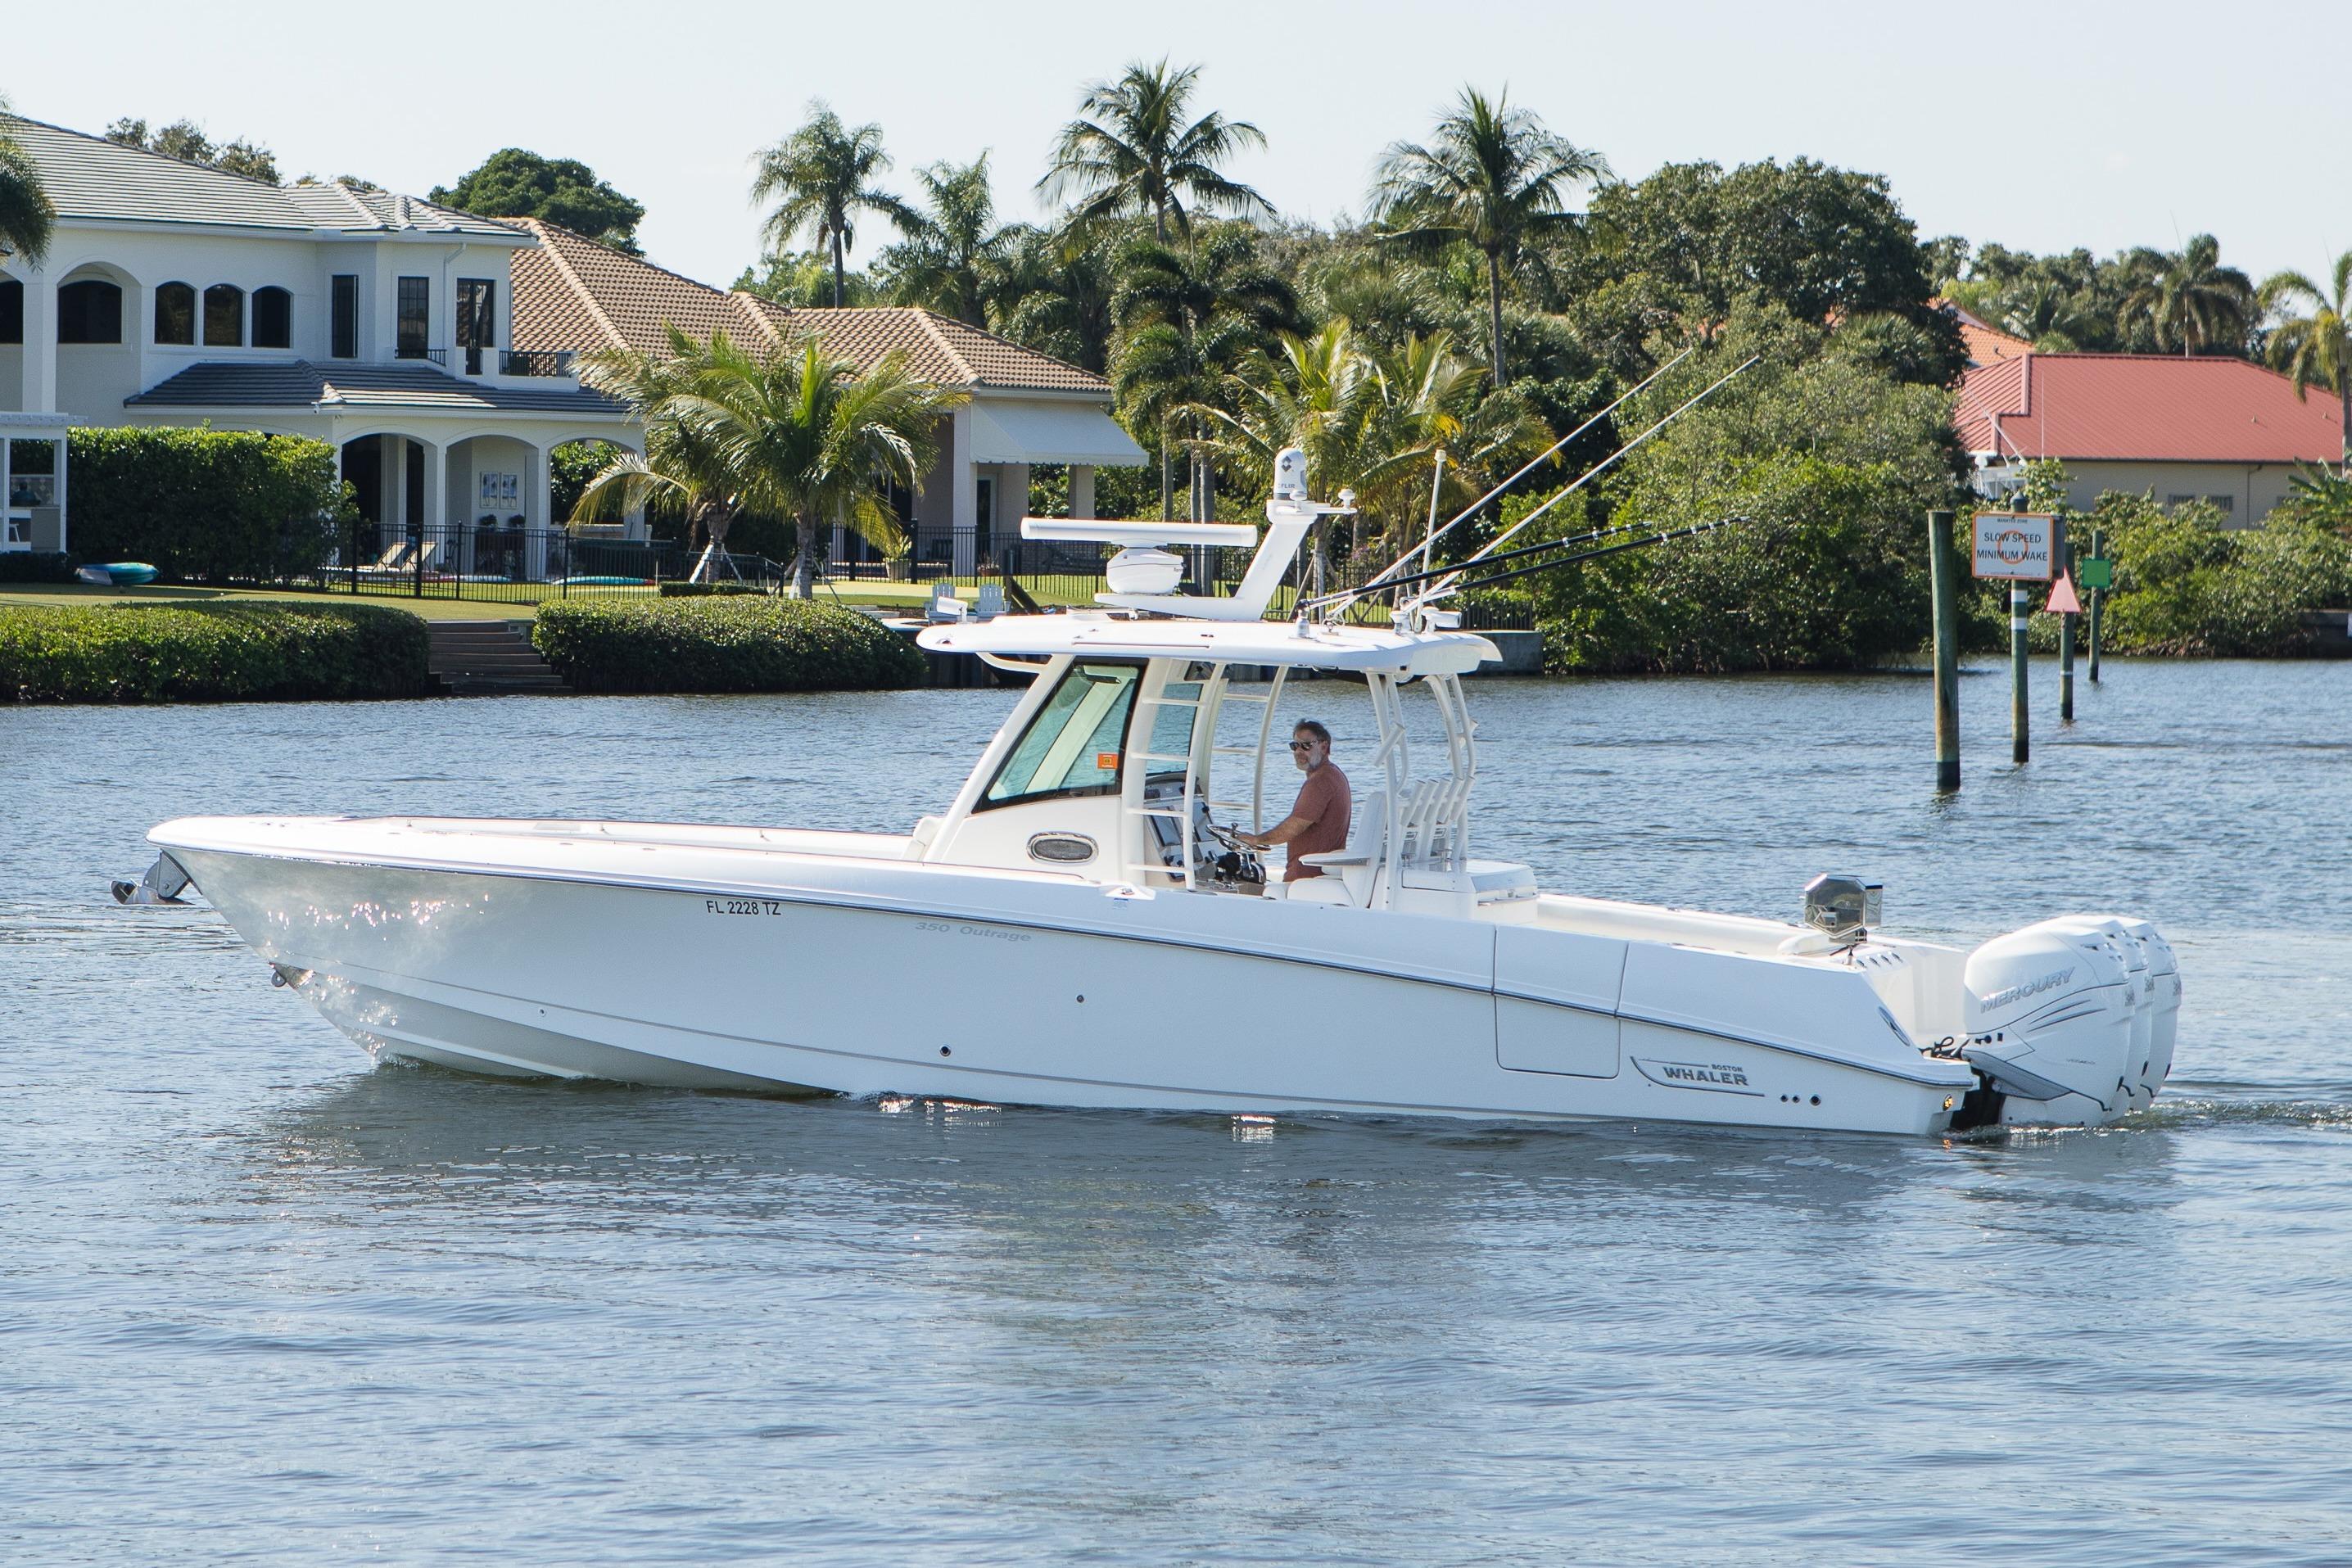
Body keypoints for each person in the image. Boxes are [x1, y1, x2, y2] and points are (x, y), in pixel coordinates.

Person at [1237, 721, 1350, 881]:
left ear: (1324, 747)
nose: (1298, 751)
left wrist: (1257, 840)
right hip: (1321, 872)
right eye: (1294, 746)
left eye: (1306, 746)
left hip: (1307, 876)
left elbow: (1295, 826)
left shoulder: (1320, 782)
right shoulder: (1334, 774)